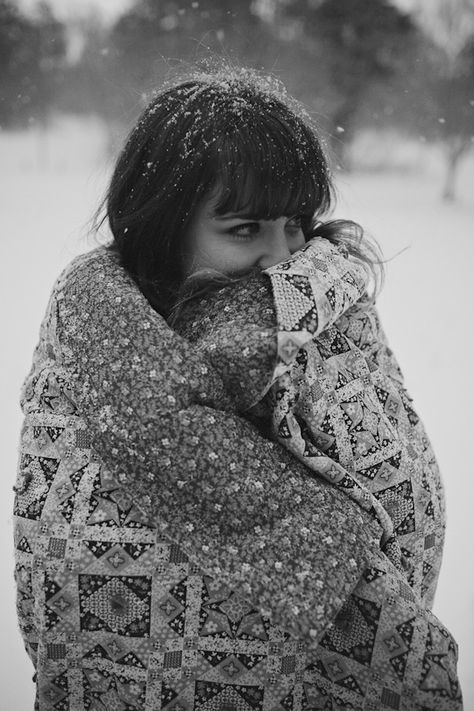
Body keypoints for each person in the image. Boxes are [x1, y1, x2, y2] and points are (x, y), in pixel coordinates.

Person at [13, 66, 462, 710]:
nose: (284, 256)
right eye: (244, 229)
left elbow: (404, 498)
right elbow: (63, 550)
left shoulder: (327, 324)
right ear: (163, 233)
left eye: (295, 223)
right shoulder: (91, 339)